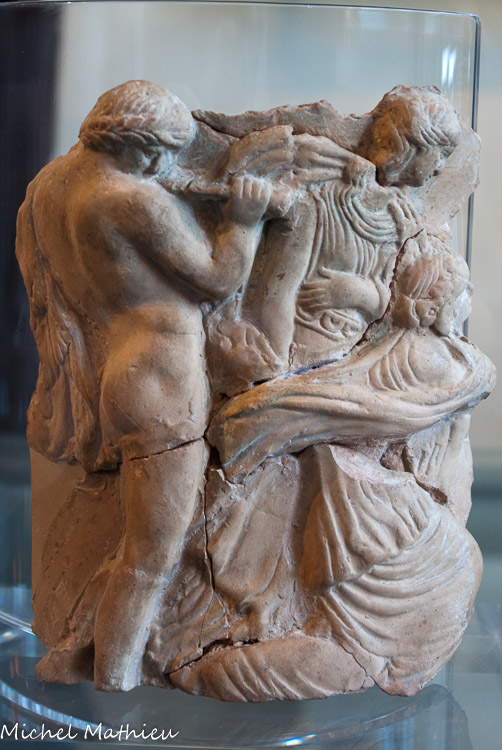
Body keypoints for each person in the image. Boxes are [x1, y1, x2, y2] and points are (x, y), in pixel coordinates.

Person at [16, 80, 276, 690]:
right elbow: (218, 279)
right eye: (159, 152)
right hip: (162, 377)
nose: (163, 166)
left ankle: (75, 650)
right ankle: (116, 678)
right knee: (152, 551)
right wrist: (244, 220)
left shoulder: (50, 189)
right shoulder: (133, 199)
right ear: (135, 142)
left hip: (118, 369)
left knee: (141, 534)